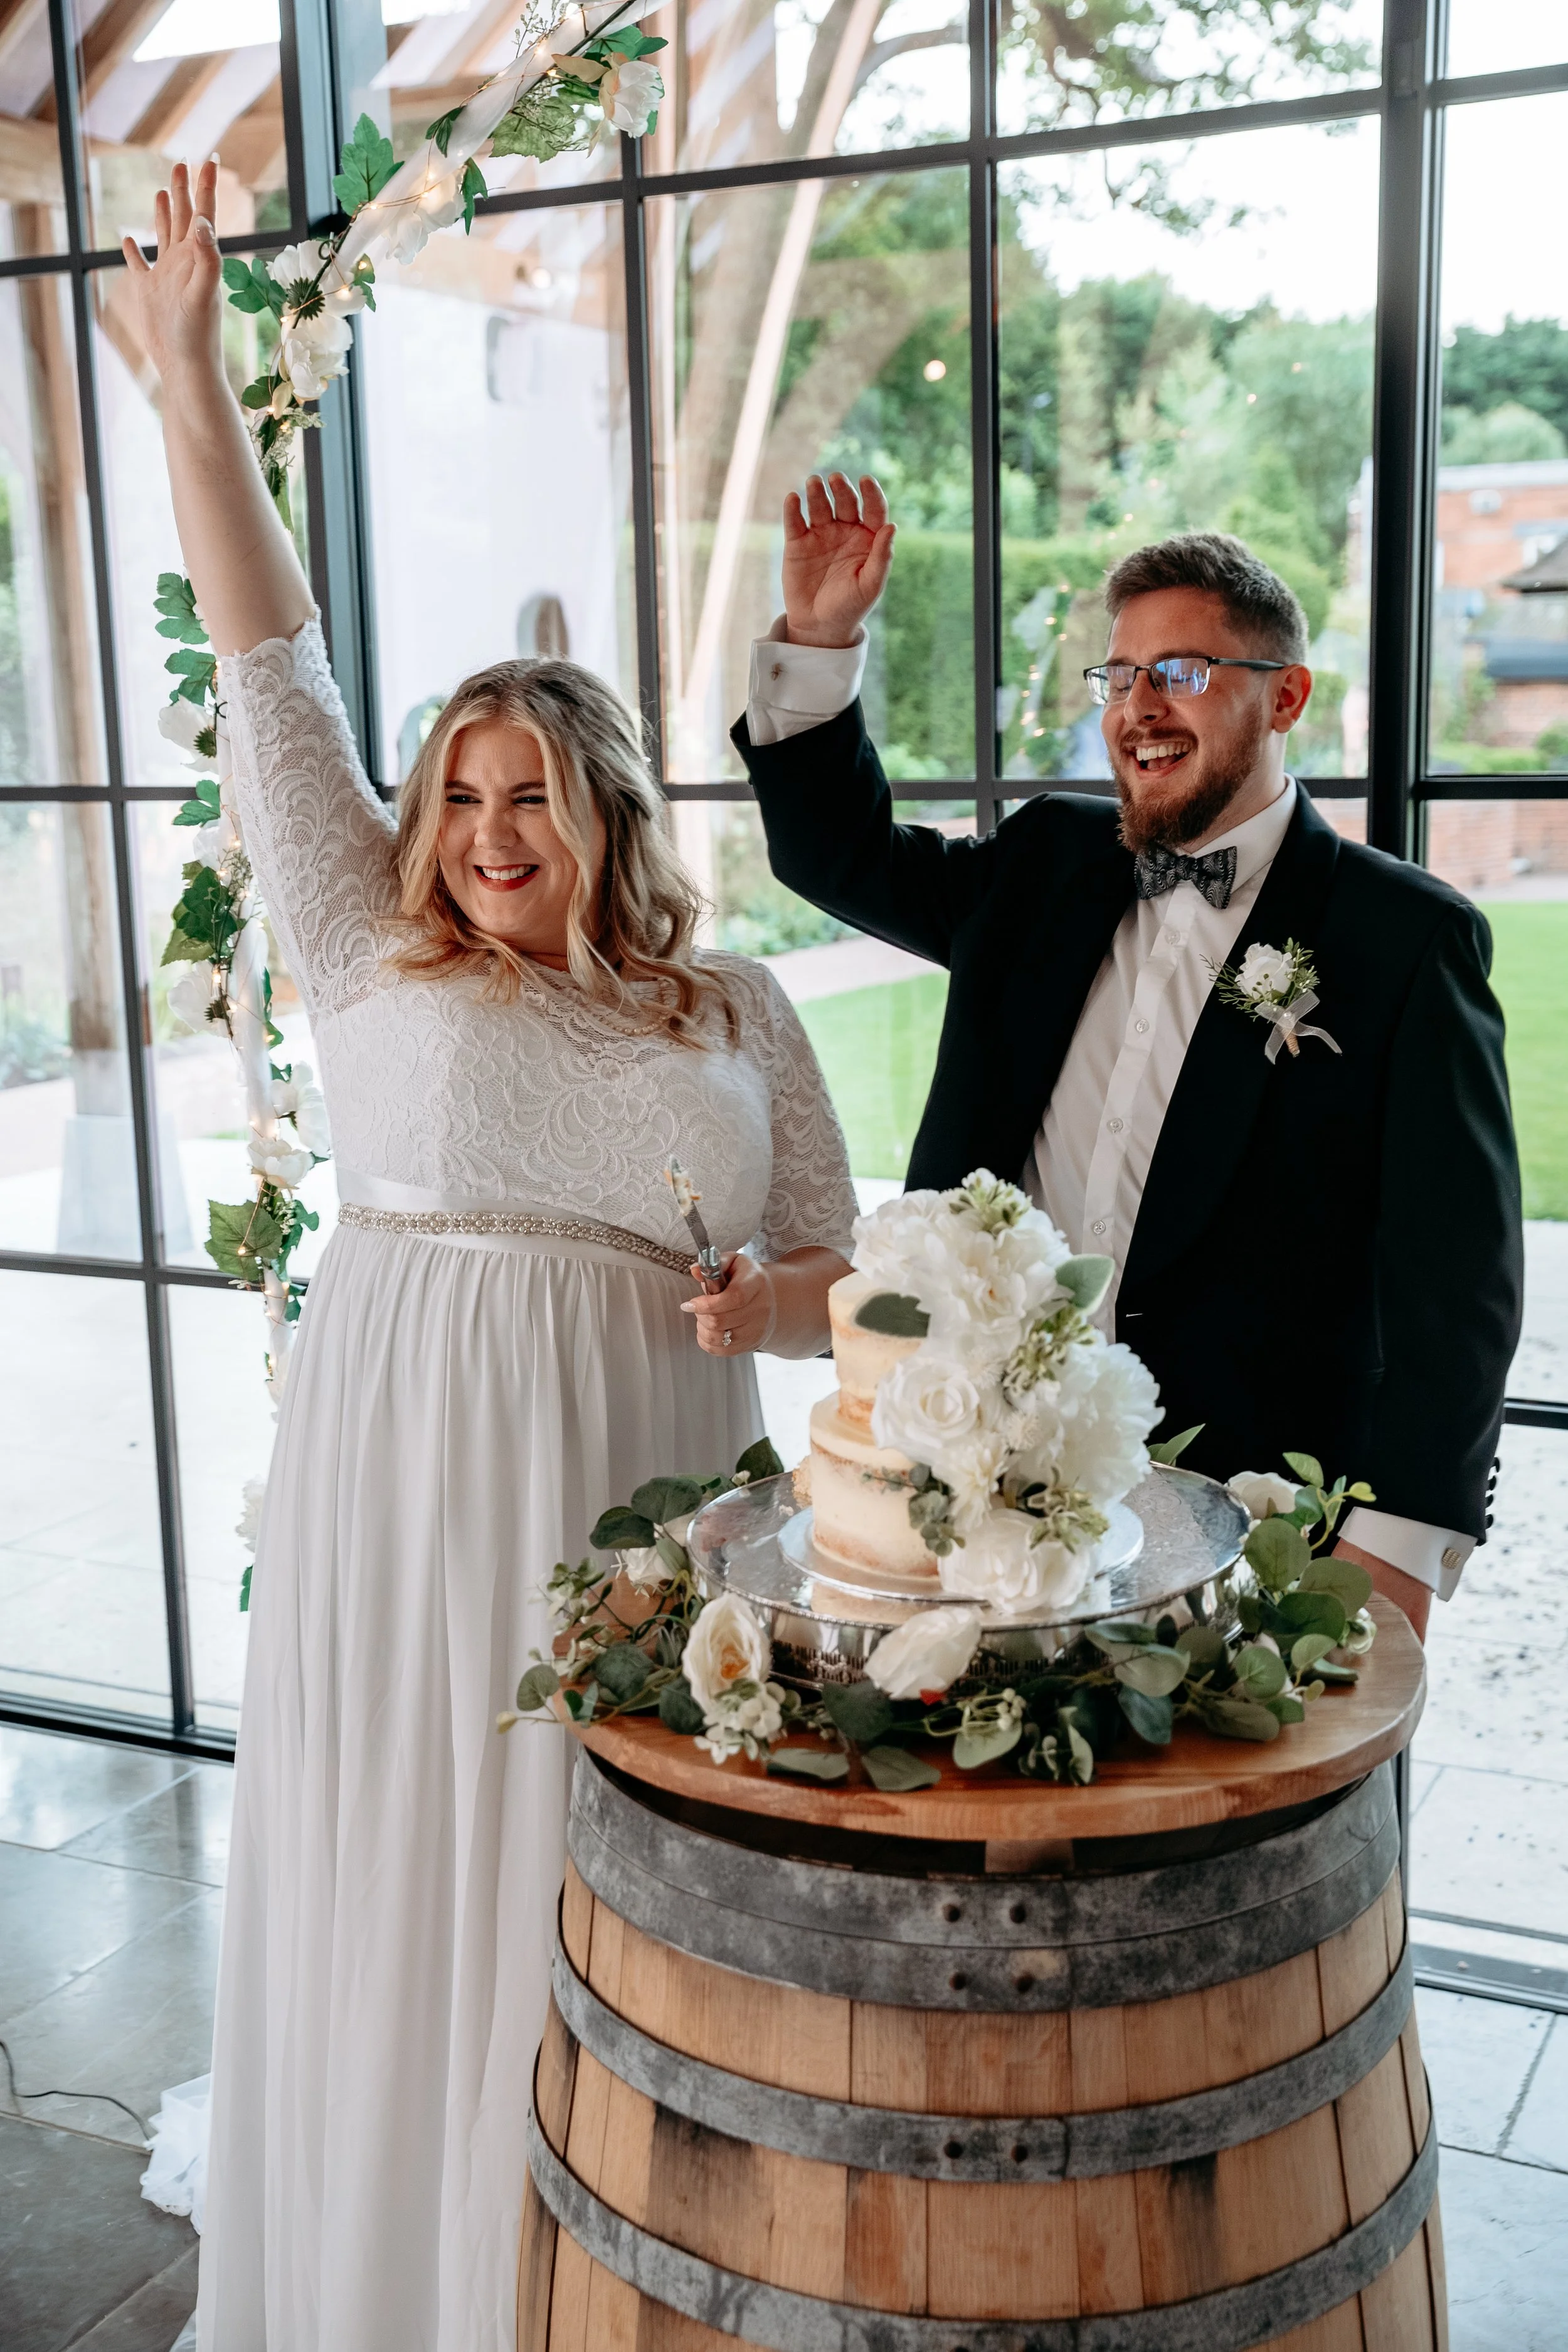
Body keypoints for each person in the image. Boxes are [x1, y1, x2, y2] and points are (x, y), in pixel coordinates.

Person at [124, 165, 856, 2352]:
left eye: (529, 792)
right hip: (413, 1460)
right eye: (460, 795)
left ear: (610, 810)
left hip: (647, 1473)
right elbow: (274, 667)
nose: (488, 833)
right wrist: (188, 387)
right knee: (406, 1847)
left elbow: (837, 1270)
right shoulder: (370, 948)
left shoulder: (734, 1014)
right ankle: (393, 2275)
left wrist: (767, 1306)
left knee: (589, 1854)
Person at [737, 471, 1524, 1643]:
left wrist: (1396, 1547)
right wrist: (818, 636)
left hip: (1256, 1509)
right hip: (985, 1474)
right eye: (1122, 674)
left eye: (1184, 672)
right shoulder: (1044, 862)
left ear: (1287, 695)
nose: (1139, 705)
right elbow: (836, 856)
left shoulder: (1403, 940)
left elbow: (1457, 1282)